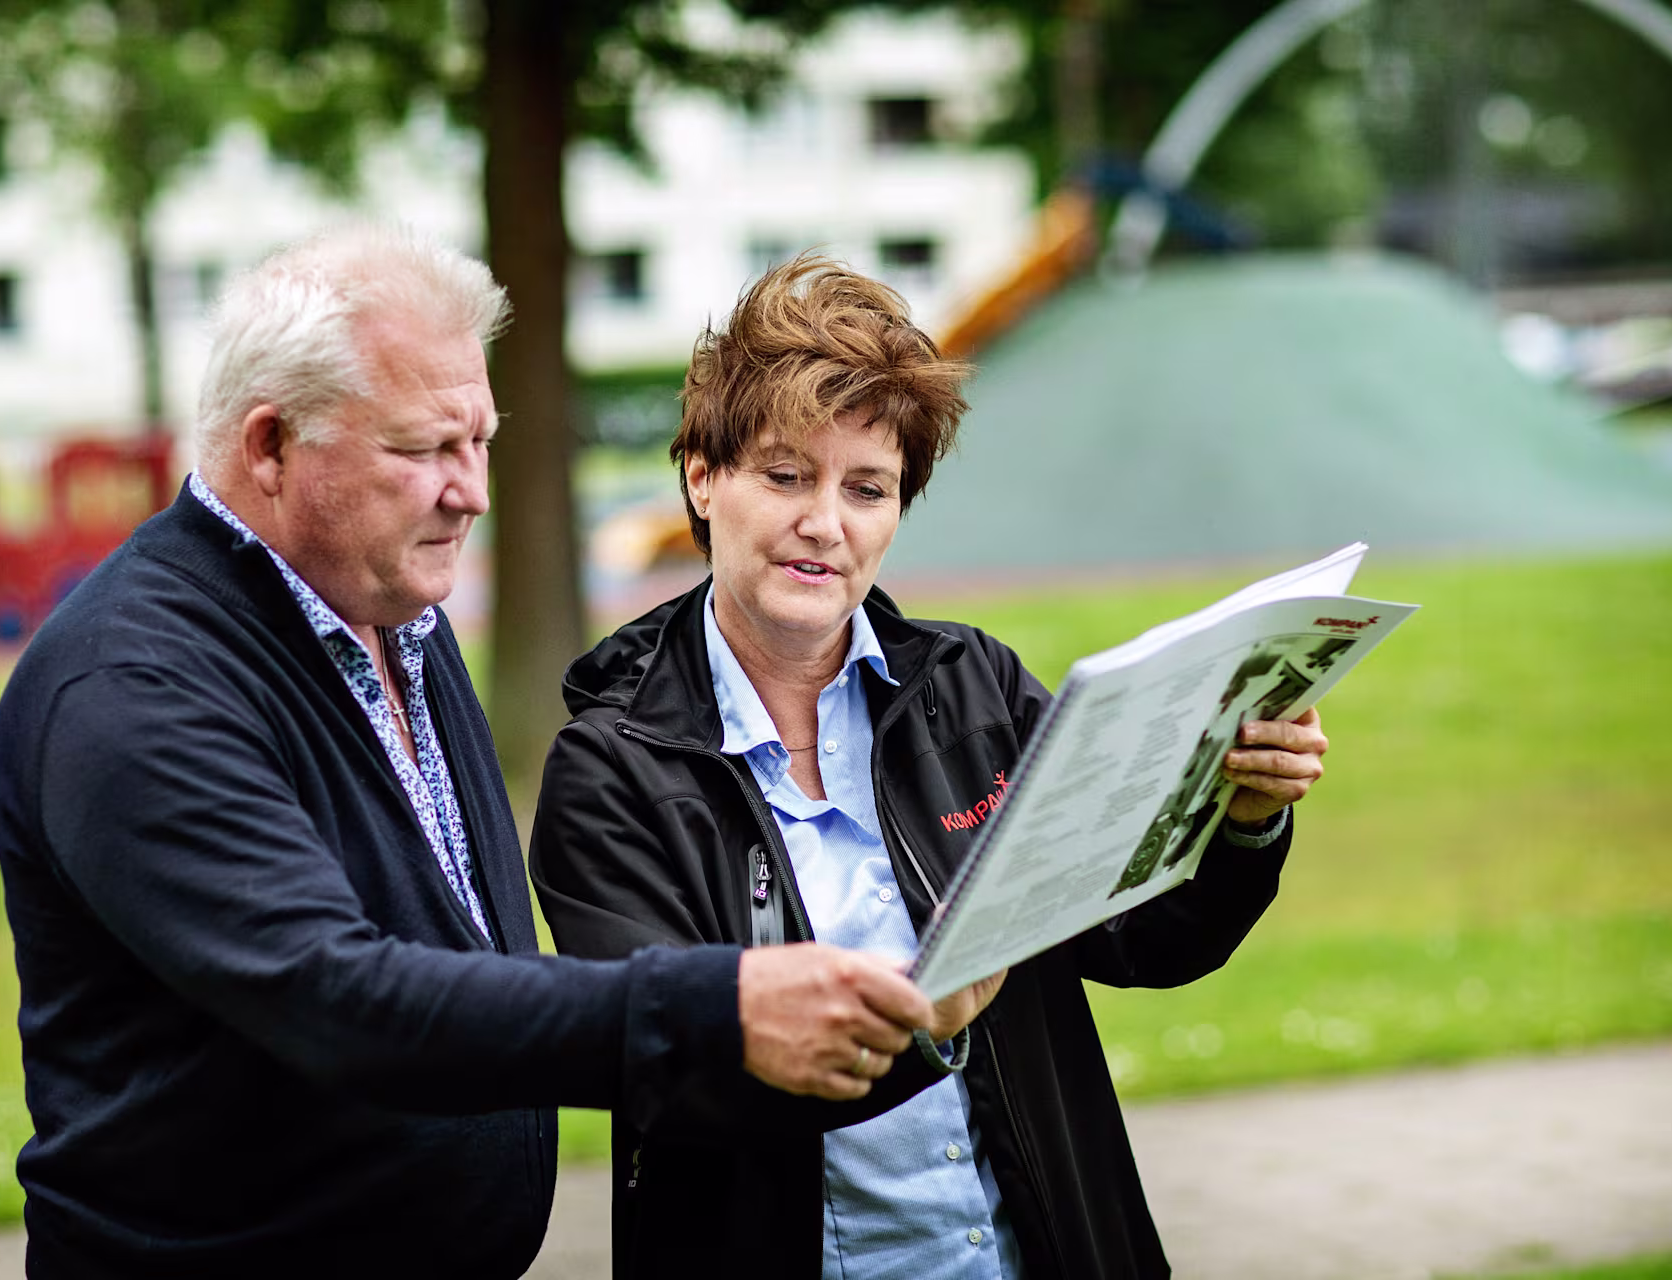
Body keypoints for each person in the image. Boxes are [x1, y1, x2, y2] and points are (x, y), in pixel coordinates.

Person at [0, 226, 959, 1278]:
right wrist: (718, 1009)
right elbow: (338, 997)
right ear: (268, 447)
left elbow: (460, 959)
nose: (473, 491)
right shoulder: (135, 686)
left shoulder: (389, 602)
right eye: (423, 450)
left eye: (480, 440)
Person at [529, 254, 1330, 1279]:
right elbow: (672, 1071)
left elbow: (1146, 934)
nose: (828, 522)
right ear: (701, 475)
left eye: (869, 487)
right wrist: (924, 1022)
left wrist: (1245, 813)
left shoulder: (975, 687)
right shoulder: (611, 769)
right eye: (786, 475)